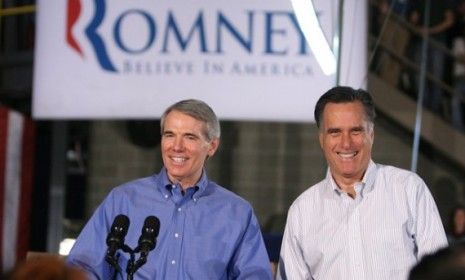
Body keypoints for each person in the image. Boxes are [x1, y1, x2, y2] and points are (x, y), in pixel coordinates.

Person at [66, 99, 273, 279]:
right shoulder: (123, 200)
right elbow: (82, 268)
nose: (176, 146)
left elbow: (254, 276)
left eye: (190, 137)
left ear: (212, 146)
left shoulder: (237, 213)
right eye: (169, 134)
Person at [277, 86, 448, 280]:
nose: (346, 143)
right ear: (322, 140)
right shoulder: (302, 211)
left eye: (356, 131)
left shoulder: (409, 190)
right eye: (335, 132)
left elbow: (440, 273)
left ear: (371, 134)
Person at [409, 0, 454, 114]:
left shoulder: (444, 3)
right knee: (418, 74)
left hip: (437, 40)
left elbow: (449, 21)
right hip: (421, 39)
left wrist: (429, 31)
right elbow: (414, 17)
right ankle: (423, 107)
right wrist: (415, 24)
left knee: (436, 76)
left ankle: (433, 110)